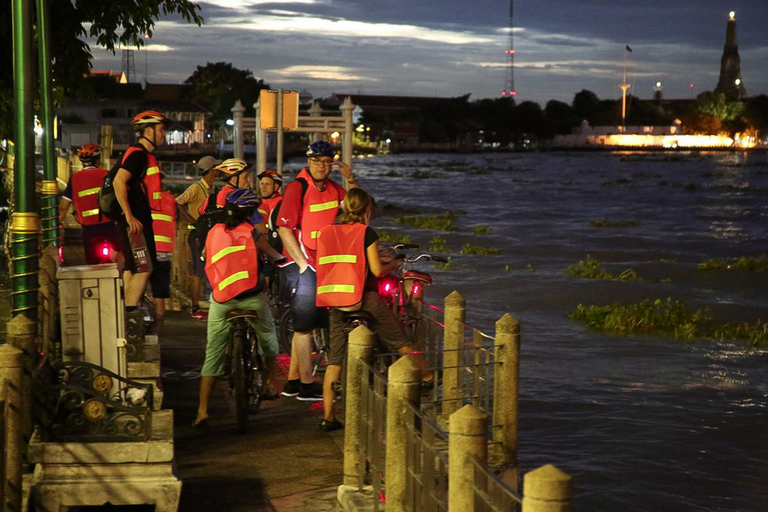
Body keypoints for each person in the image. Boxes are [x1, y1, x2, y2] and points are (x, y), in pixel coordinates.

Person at [315, 188, 434, 431]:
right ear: (367, 210)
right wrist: (392, 264)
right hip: (363, 297)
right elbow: (377, 270)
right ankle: (428, 377)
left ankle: (327, 417)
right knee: (400, 339)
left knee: (335, 360)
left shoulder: (326, 232)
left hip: (335, 300)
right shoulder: (365, 232)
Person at [193, 188, 286, 428]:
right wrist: (285, 262)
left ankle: (202, 410)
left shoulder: (214, 231)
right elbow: (275, 256)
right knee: (268, 338)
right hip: (251, 298)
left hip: (222, 300)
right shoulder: (252, 233)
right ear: (251, 213)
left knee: (212, 353)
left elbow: (204, 256)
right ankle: (269, 383)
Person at [276, 140, 359, 401]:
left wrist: (351, 179)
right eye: (317, 161)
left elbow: (358, 210)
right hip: (306, 266)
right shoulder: (296, 188)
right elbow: (284, 228)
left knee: (305, 325)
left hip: (326, 264)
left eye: (326, 162)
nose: (322, 166)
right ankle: (307, 386)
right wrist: (302, 264)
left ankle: (291, 383)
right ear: (308, 162)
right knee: (304, 327)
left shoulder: (335, 189)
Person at [113, 110, 166, 319]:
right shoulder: (138, 154)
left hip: (134, 221)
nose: (164, 134)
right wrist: (129, 216)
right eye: (161, 130)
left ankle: (126, 314)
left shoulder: (139, 154)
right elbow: (119, 181)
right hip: (135, 223)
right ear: (148, 130)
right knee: (145, 267)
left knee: (132, 268)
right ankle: (129, 315)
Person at [175, 155, 221, 320]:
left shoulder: (211, 189)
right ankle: (195, 309)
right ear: (210, 170)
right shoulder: (196, 188)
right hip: (197, 235)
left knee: (207, 271)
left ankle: (210, 303)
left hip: (208, 235)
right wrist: (191, 220)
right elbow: (178, 202)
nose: (217, 170)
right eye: (215, 167)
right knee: (198, 272)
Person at [59, 143, 120, 264]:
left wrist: (56, 227)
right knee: (120, 257)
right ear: (97, 161)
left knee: (92, 265)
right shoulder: (106, 175)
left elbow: (63, 208)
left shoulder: (74, 179)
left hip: (88, 228)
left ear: (82, 162)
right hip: (109, 225)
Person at [149, 174, 177, 335]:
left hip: (144, 252)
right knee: (159, 297)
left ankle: (135, 330)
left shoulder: (143, 198)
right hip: (164, 254)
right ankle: (157, 335)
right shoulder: (170, 199)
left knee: (135, 292)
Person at [256, 169, 284, 285]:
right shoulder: (258, 202)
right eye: (262, 183)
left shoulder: (281, 203)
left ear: (276, 187)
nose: (263, 187)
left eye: (267, 184)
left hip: (273, 245)